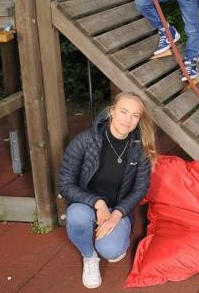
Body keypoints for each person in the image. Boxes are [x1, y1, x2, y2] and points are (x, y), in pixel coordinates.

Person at [58, 92, 157, 289]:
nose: (128, 120)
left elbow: (140, 189)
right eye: (123, 112)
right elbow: (65, 183)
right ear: (112, 112)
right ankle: (89, 257)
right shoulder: (85, 141)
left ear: (139, 120)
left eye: (135, 115)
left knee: (111, 251)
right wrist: (98, 203)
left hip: (119, 210)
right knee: (76, 215)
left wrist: (115, 215)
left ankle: (114, 239)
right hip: (88, 205)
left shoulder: (140, 149)